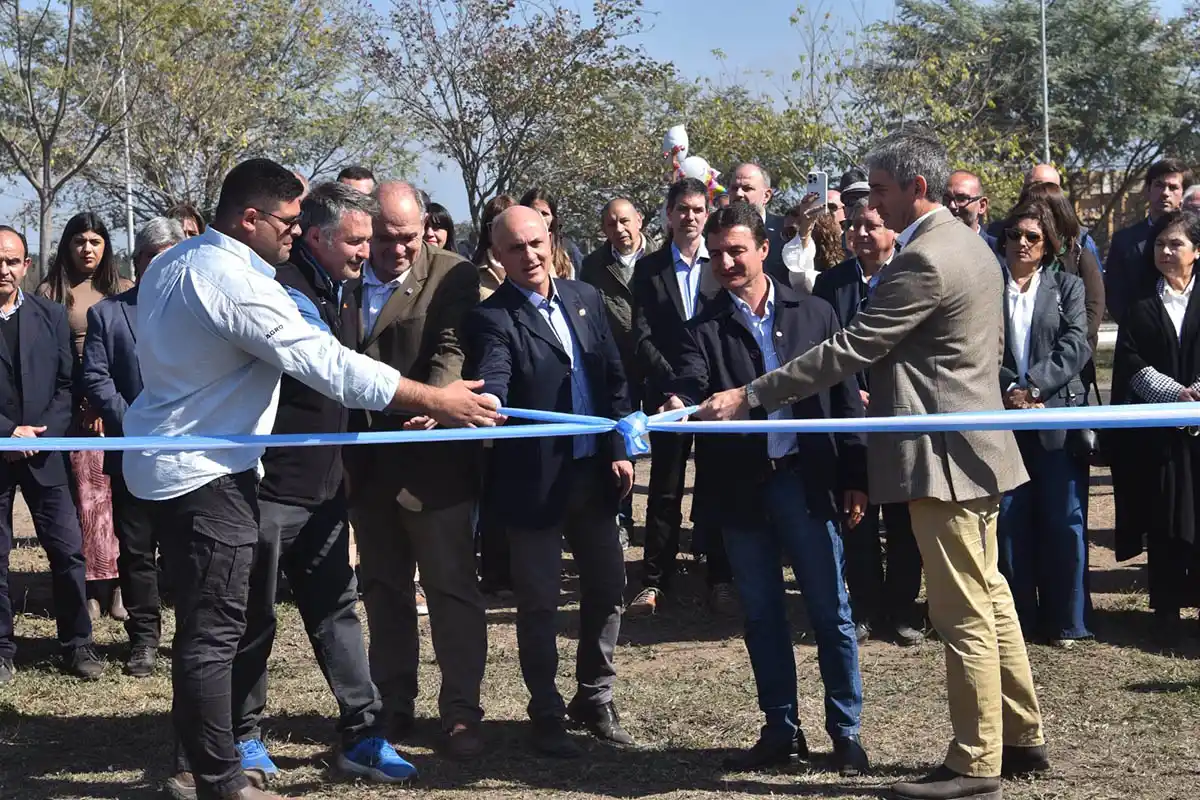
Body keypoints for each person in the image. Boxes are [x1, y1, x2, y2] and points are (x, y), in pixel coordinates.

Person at [123, 157, 498, 800]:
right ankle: (213, 773)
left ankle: (280, 751)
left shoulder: (175, 263)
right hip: (213, 475)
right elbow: (328, 365)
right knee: (219, 634)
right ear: (250, 219)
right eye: (290, 223)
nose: (297, 233)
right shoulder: (236, 281)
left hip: (203, 469)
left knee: (241, 625)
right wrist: (438, 400)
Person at [695, 131, 1048, 800]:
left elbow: (853, 346)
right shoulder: (971, 244)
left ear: (917, 187)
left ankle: (976, 761)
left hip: (944, 460)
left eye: (880, 191)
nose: (872, 206)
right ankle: (1021, 734)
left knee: (962, 612)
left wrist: (752, 394)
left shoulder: (923, 258)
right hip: (978, 450)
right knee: (991, 595)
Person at [202, 180, 422, 788]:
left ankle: (364, 736)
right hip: (270, 488)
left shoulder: (340, 288)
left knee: (337, 610)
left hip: (326, 489)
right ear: (319, 238)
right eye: (356, 242)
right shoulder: (280, 288)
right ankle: (243, 737)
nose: (367, 252)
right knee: (253, 618)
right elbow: (330, 370)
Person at [662, 201, 870, 776]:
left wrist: (855, 475)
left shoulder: (816, 312)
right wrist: (678, 401)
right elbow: (690, 384)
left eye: (737, 250)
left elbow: (847, 401)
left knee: (831, 612)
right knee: (761, 615)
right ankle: (781, 730)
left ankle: (846, 733)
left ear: (764, 249)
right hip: (741, 490)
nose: (726, 262)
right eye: (717, 253)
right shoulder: (701, 327)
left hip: (809, 482)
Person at [464, 205, 635, 758]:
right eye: (515, 248)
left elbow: (612, 379)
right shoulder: (492, 317)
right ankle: (546, 711)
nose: (530, 255)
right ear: (498, 256)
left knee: (607, 587)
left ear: (551, 239)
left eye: (536, 242)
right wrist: (487, 400)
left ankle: (595, 696)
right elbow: (494, 374)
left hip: (594, 474)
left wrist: (619, 449)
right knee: (539, 603)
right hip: (534, 484)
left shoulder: (585, 298)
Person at [345, 182, 488, 760]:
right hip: (365, 465)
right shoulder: (345, 275)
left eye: (409, 237)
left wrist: (436, 399)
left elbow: (451, 348)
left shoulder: (451, 272)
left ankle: (461, 713)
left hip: (433, 465)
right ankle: (393, 704)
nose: (398, 249)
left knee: (451, 590)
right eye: (385, 238)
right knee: (384, 591)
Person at [813, 199, 923, 648]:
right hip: (850, 417)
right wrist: (850, 392)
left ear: (892, 231)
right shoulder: (831, 283)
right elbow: (823, 346)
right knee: (856, 512)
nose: (859, 233)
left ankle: (902, 610)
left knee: (902, 520)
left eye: (871, 225)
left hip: (900, 414)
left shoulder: (911, 275)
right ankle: (863, 607)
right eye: (854, 225)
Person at [80, 217, 185, 678]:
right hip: (132, 452)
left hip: (187, 454)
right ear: (138, 261)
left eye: (171, 257)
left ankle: (192, 636)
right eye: (153, 258)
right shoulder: (108, 314)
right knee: (137, 551)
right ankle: (143, 639)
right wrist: (136, 424)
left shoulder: (199, 313)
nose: (162, 266)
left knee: (186, 552)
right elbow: (96, 377)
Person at [0, 225, 102, 684]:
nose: (4, 270)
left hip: (45, 453)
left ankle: (77, 644)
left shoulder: (51, 315)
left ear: (26, 266)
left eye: (12, 261)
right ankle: (2, 649)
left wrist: (41, 434)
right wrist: (8, 433)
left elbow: (67, 385)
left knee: (68, 551)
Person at [629, 178, 734, 616]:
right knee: (665, 488)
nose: (690, 217)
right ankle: (654, 580)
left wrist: (704, 389)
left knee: (719, 484)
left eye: (697, 209)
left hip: (718, 394)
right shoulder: (649, 270)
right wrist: (674, 387)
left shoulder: (723, 264)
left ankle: (721, 578)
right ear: (669, 214)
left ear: (706, 214)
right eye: (682, 209)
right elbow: (641, 335)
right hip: (666, 397)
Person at [995, 200, 1093, 649]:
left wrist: (1034, 386)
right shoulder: (988, 288)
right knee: (1010, 520)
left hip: (1056, 418)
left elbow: (1077, 344)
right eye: (1014, 235)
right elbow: (977, 347)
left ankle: (1066, 621)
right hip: (1002, 419)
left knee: (1063, 519)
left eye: (1032, 236)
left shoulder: (1067, 286)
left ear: (1048, 244)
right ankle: (1019, 618)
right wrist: (1010, 389)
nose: (1022, 243)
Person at [1110, 209, 1200, 644]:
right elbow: (1130, 361)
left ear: (1197, 251)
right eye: (1160, 244)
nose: (1165, 251)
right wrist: (1175, 395)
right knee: (1164, 519)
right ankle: (1166, 610)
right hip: (1160, 434)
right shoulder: (1141, 305)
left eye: (1175, 244)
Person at [38, 212, 132, 623]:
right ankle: (92, 589)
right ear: (68, 246)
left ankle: (124, 585)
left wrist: (104, 404)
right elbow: (48, 359)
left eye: (95, 241)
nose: (87, 249)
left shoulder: (123, 289)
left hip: (118, 410)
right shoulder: (50, 292)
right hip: (73, 413)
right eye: (79, 241)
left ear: (106, 246)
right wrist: (81, 405)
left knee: (122, 502)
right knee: (87, 503)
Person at [580, 197, 658, 545]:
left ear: (639, 220)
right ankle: (621, 519)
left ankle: (660, 532)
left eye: (625, 220)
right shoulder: (593, 265)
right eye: (611, 224)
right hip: (615, 367)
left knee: (667, 451)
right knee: (619, 445)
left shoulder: (660, 257)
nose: (620, 229)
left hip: (657, 364)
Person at [1019, 182, 1106, 356]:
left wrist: (1061, 349)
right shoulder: (1019, 256)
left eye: (1040, 211)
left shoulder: (1081, 257)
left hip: (1070, 358)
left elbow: (1092, 314)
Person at [1106, 158, 1191, 324]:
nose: (1165, 193)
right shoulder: (1124, 241)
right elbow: (1114, 295)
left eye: (1173, 187)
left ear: (1184, 194)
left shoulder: (1194, 239)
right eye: (1159, 185)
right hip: (1137, 332)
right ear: (1148, 190)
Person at [1018, 164, 1104, 268]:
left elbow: (1095, 276)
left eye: (1043, 187)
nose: (1033, 192)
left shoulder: (1080, 241)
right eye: (1028, 187)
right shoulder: (1003, 234)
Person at [728, 162, 788, 283]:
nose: (738, 194)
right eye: (734, 188)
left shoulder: (785, 231)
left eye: (747, 188)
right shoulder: (717, 231)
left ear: (766, 196)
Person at [520, 187, 583, 278]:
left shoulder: (568, 249)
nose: (539, 218)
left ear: (553, 218)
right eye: (533, 212)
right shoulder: (514, 248)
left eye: (544, 214)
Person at [473, 194, 516, 302]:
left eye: (510, 224)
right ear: (486, 230)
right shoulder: (473, 272)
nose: (504, 231)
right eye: (496, 225)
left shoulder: (532, 263)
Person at [943, 170, 997, 252]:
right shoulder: (929, 245)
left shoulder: (999, 252)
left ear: (982, 206)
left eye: (961, 199)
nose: (952, 206)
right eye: (946, 198)